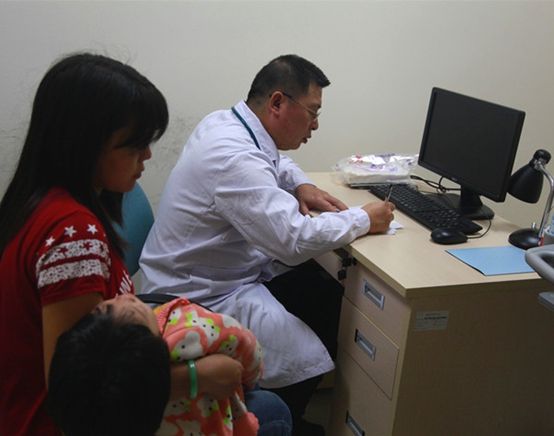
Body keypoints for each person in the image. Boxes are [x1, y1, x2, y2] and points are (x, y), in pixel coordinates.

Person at [140, 54, 395, 435]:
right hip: (200, 295)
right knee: (312, 329)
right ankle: (276, 418)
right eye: (312, 112)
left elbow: (272, 161)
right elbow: (293, 239)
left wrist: (300, 183)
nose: (316, 125)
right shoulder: (232, 156)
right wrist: (364, 219)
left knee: (325, 293)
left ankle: (287, 412)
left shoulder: (227, 122)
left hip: (210, 274)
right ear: (277, 102)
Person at [0, 52, 169, 435]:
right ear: (84, 144)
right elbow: (84, 400)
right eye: (134, 144)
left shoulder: (41, 206)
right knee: (264, 409)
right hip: (48, 425)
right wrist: (198, 376)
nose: (147, 155)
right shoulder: (74, 235)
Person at [48, 294, 291, 435]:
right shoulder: (189, 329)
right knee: (274, 409)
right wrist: (195, 377)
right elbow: (251, 357)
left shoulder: (92, 414)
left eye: (100, 310)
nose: (125, 298)